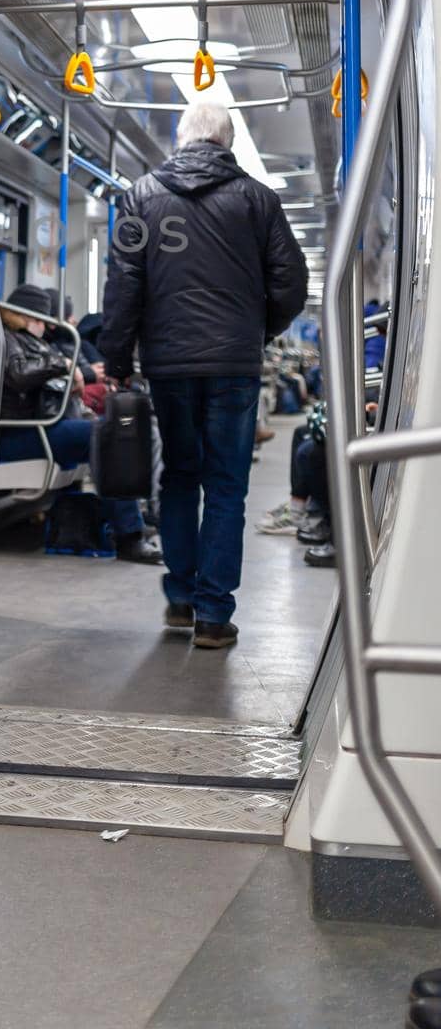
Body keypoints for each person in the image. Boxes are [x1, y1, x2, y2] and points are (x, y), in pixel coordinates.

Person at [98, 102, 308, 647]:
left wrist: (118, 360)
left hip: (168, 364)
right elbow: (290, 283)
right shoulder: (259, 201)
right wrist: (257, 331)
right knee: (226, 487)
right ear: (228, 142)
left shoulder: (141, 196)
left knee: (179, 477)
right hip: (234, 365)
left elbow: (124, 287)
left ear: (181, 138)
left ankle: (181, 598)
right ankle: (214, 617)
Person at [0, 283, 161, 563]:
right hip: (19, 432)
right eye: (42, 319)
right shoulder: (0, 336)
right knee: (109, 433)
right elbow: (17, 373)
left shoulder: (28, 340)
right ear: (30, 317)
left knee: (114, 429)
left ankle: (124, 522)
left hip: (41, 424)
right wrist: (65, 366)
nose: (46, 326)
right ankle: (129, 535)